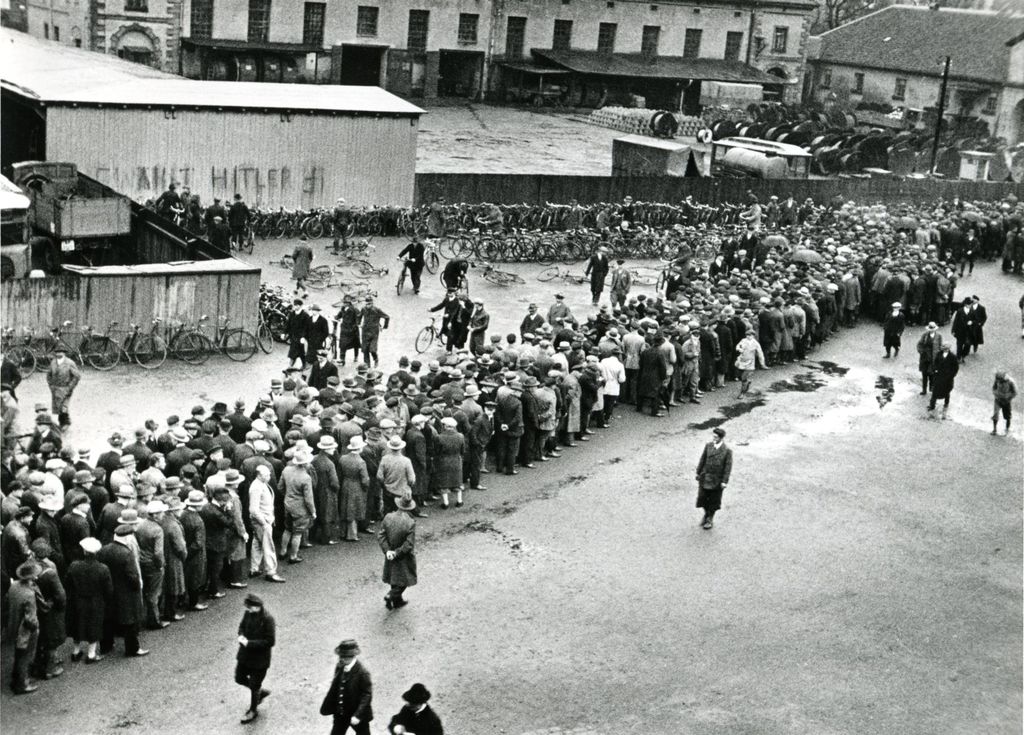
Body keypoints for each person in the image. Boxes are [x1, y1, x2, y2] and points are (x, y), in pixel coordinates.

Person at [97, 524, 149, 657]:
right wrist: (137, 587)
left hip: (110, 590)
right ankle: (132, 649)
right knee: (130, 621)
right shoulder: (127, 553)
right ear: (127, 538)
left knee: (108, 618)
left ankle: (106, 645)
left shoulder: (104, 549)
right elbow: (132, 576)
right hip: (126, 592)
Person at [65, 537, 112, 664]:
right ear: (96, 552)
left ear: (84, 552)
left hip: (77, 600)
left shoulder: (74, 566)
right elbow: (108, 589)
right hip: (95, 601)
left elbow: (67, 584)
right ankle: (91, 654)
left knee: (77, 625)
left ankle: (76, 651)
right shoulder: (103, 568)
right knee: (94, 626)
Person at [236, 592, 276, 724]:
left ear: (257, 606)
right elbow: (241, 626)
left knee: (254, 684)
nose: (248, 609)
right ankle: (260, 692)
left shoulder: (268, 619)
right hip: (245, 655)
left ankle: (253, 710)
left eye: (250, 607)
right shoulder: (248, 613)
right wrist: (241, 635)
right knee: (239, 678)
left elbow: (270, 641)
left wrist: (250, 643)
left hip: (260, 659)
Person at [320, 639, 374, 735]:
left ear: (352, 657)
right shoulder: (340, 667)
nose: (341, 659)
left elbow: (367, 695)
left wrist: (358, 715)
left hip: (357, 715)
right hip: (341, 714)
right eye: (341, 656)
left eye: (344, 657)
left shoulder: (362, 673)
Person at [8, 561, 42, 694]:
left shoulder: (14, 586)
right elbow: (30, 619)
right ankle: (22, 684)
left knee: (18, 655)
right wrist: (36, 628)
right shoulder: (29, 594)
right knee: (25, 657)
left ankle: (15, 679)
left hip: (13, 626)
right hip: (25, 632)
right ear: (30, 577)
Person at [379, 493, 417, 609]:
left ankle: (397, 601)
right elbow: (409, 544)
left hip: (389, 554)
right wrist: (397, 552)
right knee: (405, 579)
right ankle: (391, 595)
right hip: (403, 557)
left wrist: (387, 551)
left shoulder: (388, 517)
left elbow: (381, 536)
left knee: (393, 577)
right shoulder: (410, 522)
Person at [248, 465, 285, 582]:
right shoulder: (256, 487)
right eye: (267, 475)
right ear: (259, 475)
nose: (269, 477)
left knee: (257, 543)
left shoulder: (261, 484)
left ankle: (254, 568)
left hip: (263, 520)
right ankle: (271, 571)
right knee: (268, 546)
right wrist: (264, 522)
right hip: (263, 521)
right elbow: (253, 509)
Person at [280, 449, 315, 564]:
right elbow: (308, 499)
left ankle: (283, 551)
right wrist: (313, 511)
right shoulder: (306, 477)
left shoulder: (286, 470)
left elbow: (280, 487)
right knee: (298, 533)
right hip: (300, 509)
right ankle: (293, 556)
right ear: (305, 463)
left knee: (287, 529)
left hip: (287, 504)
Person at [695, 427, 733, 530]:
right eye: (713, 436)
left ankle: (709, 519)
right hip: (705, 476)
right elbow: (702, 459)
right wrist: (698, 472)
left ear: (721, 438)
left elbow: (728, 467)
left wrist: (724, 481)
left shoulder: (727, 451)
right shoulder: (708, 446)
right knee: (702, 498)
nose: (713, 438)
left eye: (716, 437)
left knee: (714, 501)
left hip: (717, 480)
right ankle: (707, 513)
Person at [46, 347, 81, 429]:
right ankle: (62, 422)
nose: (59, 354)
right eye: (57, 352)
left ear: (64, 353)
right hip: (55, 389)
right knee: (58, 406)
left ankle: (66, 422)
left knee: (63, 406)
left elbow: (77, 376)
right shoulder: (53, 362)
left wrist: (70, 387)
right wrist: (51, 386)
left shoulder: (69, 363)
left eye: (61, 352)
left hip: (66, 388)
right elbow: (48, 375)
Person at [928, 344, 960, 418]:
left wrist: (951, 375)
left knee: (946, 391)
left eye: (946, 348)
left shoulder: (952, 357)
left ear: (948, 349)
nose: (945, 350)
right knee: (935, 391)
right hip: (939, 376)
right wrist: (935, 370)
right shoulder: (939, 354)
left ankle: (946, 403)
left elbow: (955, 368)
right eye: (944, 348)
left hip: (947, 378)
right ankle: (932, 405)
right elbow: (935, 363)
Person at [734, 328, 765, 397]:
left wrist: (762, 363)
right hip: (742, 361)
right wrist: (739, 349)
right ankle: (747, 382)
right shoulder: (743, 340)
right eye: (747, 335)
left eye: (750, 335)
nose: (748, 336)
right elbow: (737, 346)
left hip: (750, 362)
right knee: (741, 376)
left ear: (753, 336)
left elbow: (760, 353)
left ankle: (742, 393)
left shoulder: (756, 343)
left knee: (743, 377)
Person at [360, 296, 390, 368]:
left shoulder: (377, 310)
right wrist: (359, 323)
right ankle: (367, 366)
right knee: (365, 350)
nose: (368, 306)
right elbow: (359, 316)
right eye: (367, 304)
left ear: (372, 303)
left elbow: (387, 317)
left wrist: (384, 326)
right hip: (365, 332)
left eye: (369, 304)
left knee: (372, 349)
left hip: (374, 333)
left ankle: (376, 359)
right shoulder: (363, 309)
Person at [916, 322, 943, 395]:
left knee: (932, 374)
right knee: (924, 375)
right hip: (925, 358)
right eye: (930, 329)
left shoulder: (939, 336)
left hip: (933, 358)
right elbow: (919, 344)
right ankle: (924, 389)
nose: (932, 330)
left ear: (935, 329)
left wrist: (940, 356)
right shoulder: (925, 335)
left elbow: (940, 346)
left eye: (933, 329)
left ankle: (931, 387)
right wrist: (921, 352)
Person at [991, 371, 1017, 436]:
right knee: (995, 414)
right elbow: (994, 387)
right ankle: (994, 429)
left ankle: (1007, 429)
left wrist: (1008, 397)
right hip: (998, 400)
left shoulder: (1011, 382)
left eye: (1000, 380)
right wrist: (996, 394)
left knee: (1007, 416)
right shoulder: (997, 380)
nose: (998, 381)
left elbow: (1015, 392)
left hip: (1006, 401)